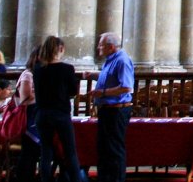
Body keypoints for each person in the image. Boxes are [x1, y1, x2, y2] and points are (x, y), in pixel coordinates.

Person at [34, 36, 85, 182]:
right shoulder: (67, 69)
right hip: (60, 113)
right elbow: (72, 91)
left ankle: (45, 179)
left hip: (42, 113)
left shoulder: (38, 69)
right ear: (61, 49)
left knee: (46, 151)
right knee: (70, 152)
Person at [88, 32, 135, 182]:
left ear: (111, 46)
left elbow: (126, 87)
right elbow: (110, 77)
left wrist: (102, 93)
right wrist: (93, 75)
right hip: (107, 109)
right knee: (104, 148)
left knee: (114, 149)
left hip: (117, 110)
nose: (98, 47)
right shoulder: (111, 60)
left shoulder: (122, 60)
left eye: (101, 45)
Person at [15, 47, 41, 182]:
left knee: (33, 153)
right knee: (28, 153)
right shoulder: (28, 75)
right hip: (28, 117)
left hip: (36, 115)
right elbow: (25, 98)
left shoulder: (38, 74)